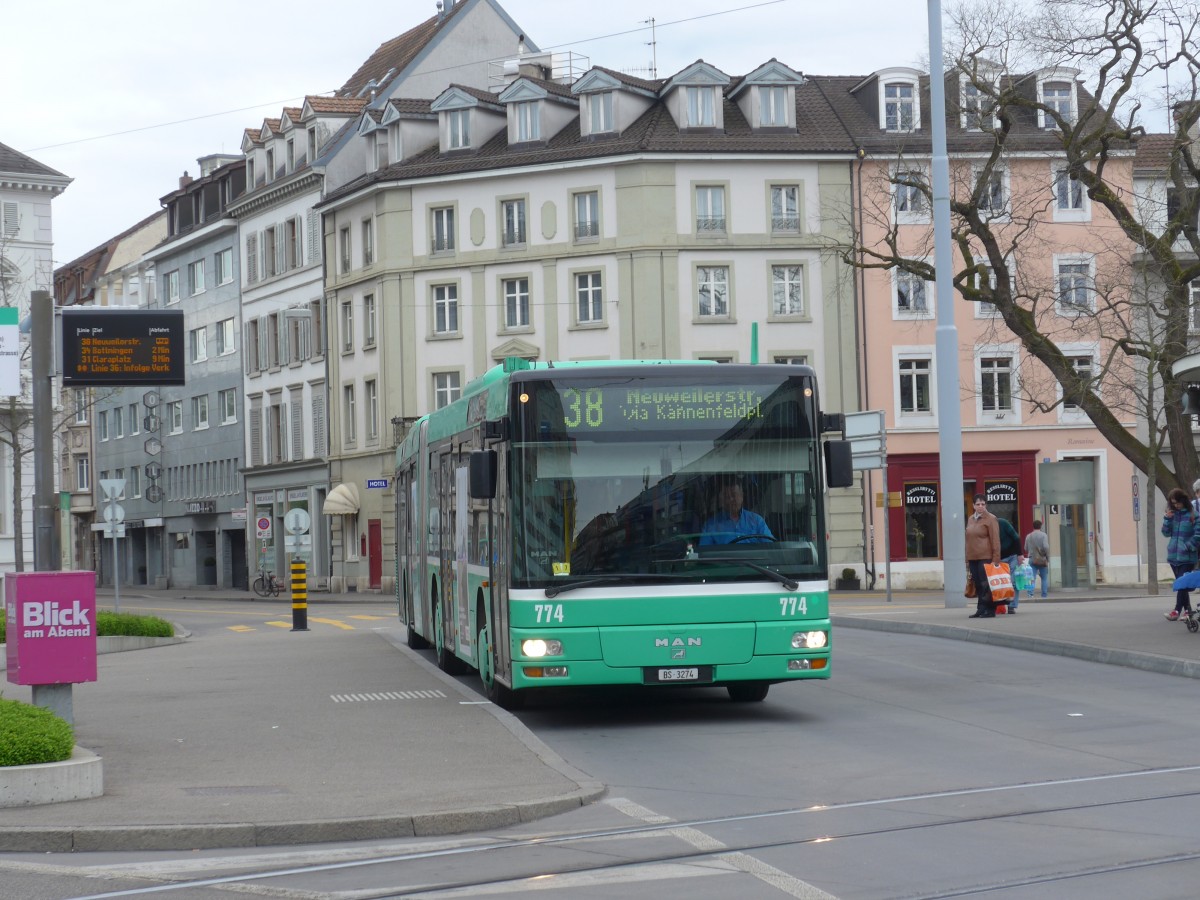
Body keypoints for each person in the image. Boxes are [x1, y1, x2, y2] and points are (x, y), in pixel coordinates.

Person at [1162, 487, 1200, 621]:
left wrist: (1188, 546)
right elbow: (1166, 533)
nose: (1176, 505)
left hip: (1187, 556)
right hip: (1173, 555)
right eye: (1173, 503)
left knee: (1181, 582)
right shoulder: (1173, 515)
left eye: (1177, 502)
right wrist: (1167, 519)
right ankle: (1188, 611)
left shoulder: (1193, 514)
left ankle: (1177, 610)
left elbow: (1198, 534)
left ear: (1183, 501)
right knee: (1181, 584)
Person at [700, 481, 774, 545]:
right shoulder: (710, 525)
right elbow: (704, 554)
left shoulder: (757, 521)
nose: (731, 499)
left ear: (742, 496)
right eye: (727, 496)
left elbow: (770, 547)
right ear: (721, 500)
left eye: (734, 495)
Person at [965, 493, 1000, 619]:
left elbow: (995, 539)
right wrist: (967, 559)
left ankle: (990, 609)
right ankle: (980, 608)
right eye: (978, 504)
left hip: (986, 556)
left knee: (986, 584)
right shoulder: (970, 519)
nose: (981, 507)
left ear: (986, 505)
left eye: (983, 504)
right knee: (978, 584)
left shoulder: (991, 519)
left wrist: (995, 559)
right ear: (974, 506)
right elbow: (968, 540)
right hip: (973, 557)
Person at [998, 516, 1022, 612]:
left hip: (1012, 556)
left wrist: (1020, 554)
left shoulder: (1003, 523)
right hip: (999, 558)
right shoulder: (986, 527)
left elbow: (1016, 537)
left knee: (1014, 581)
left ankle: (1012, 606)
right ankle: (1003, 603)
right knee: (1002, 582)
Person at [1024, 519, 1050, 599]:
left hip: (1032, 559)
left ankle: (1030, 594)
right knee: (1044, 578)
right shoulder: (1044, 535)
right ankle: (1044, 595)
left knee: (1031, 577)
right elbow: (1046, 546)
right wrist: (1047, 556)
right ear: (1040, 526)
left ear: (1033, 526)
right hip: (1042, 559)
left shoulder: (1029, 536)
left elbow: (1025, 548)